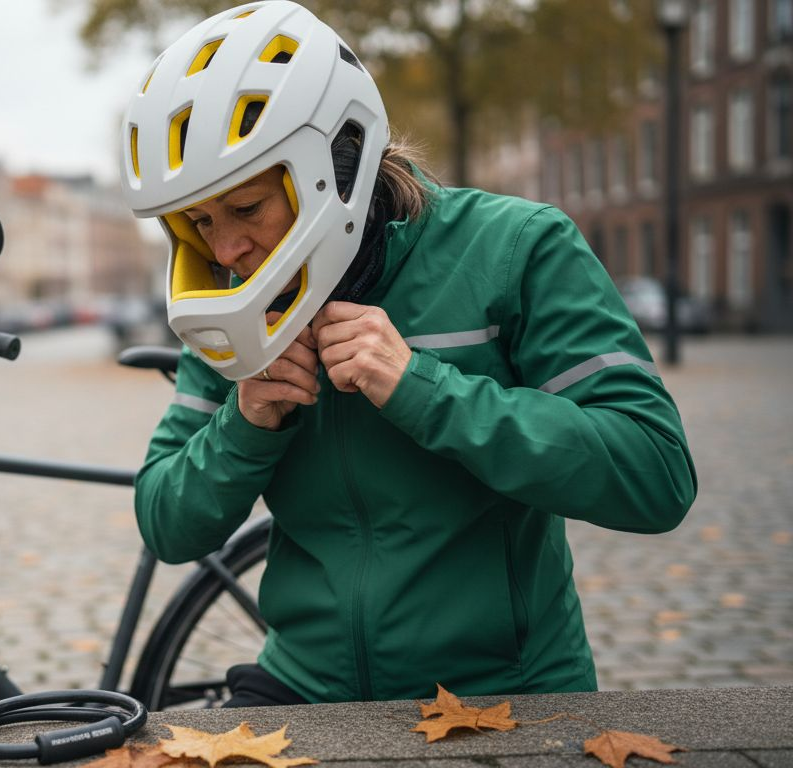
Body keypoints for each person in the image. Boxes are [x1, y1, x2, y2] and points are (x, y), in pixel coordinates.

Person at [119, 1, 697, 708]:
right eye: (201, 223)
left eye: (246, 209)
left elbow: (654, 474)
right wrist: (245, 426)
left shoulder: (518, 248)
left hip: (505, 693)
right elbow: (166, 523)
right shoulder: (232, 299)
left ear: (337, 165)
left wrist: (424, 389)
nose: (226, 251)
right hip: (305, 685)